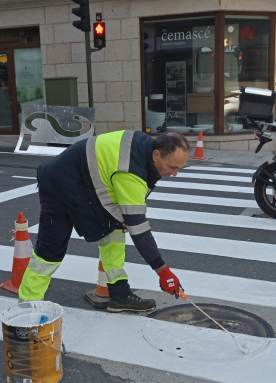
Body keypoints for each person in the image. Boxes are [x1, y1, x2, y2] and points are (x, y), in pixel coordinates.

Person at [17, 130, 190, 312]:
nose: (175, 173)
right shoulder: (131, 172)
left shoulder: (145, 148)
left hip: (85, 181)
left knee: (114, 227)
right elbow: (138, 228)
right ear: (156, 155)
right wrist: (162, 270)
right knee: (50, 252)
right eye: (172, 167)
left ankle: (120, 294)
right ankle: (27, 310)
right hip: (59, 183)